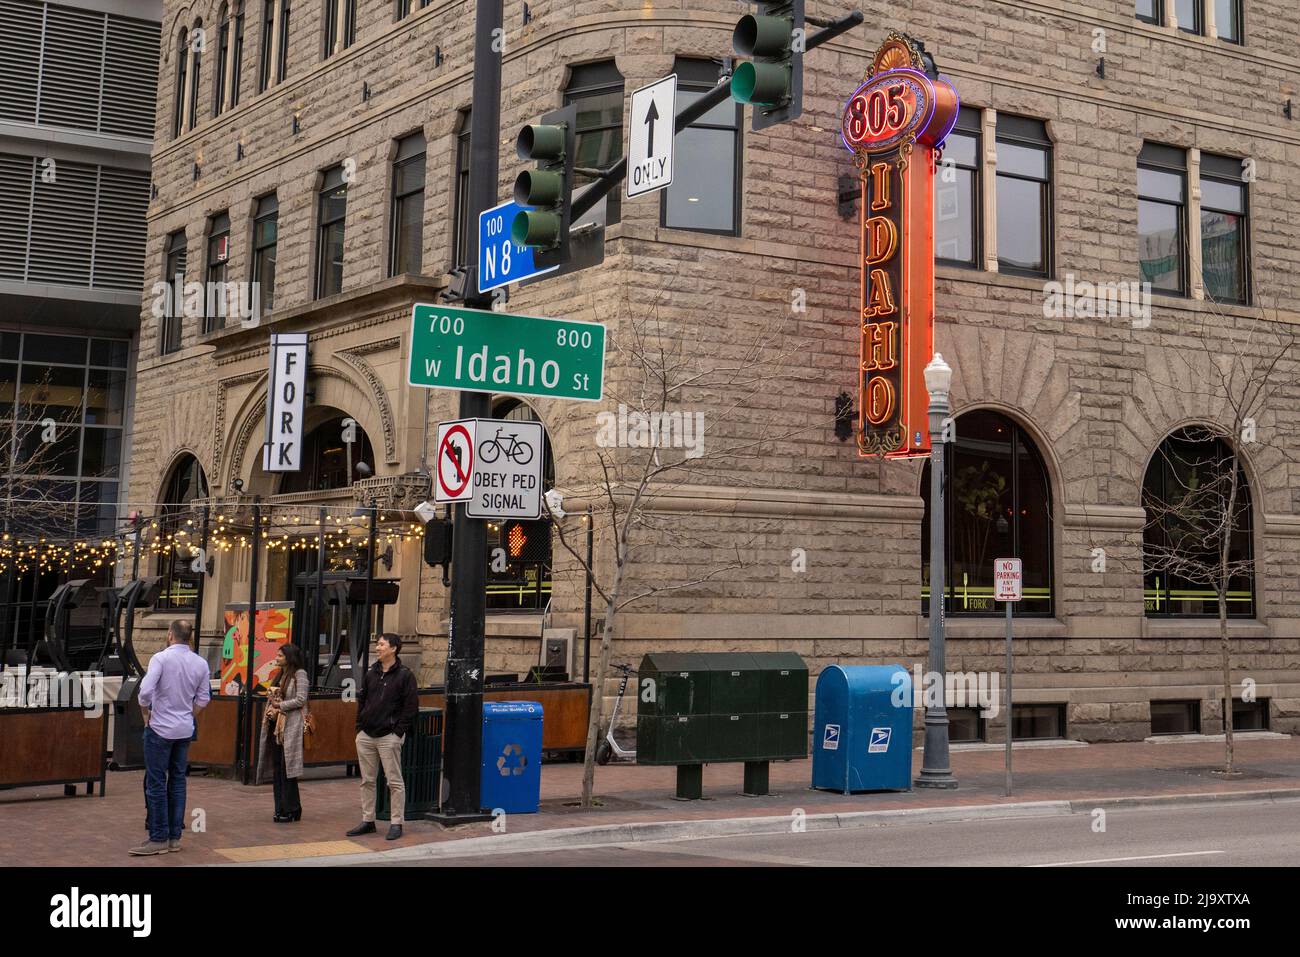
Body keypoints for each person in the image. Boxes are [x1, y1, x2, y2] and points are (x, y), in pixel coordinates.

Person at [132, 619, 210, 856]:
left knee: (156, 782)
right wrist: (188, 714)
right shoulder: (200, 663)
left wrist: (146, 713)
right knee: (178, 781)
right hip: (184, 728)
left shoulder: (161, 658)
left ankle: (158, 837)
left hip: (160, 727)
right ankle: (174, 837)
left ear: (169, 635)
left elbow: (144, 691)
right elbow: (204, 698)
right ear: (190, 637)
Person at [347, 633, 418, 841]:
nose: (377, 648)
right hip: (366, 735)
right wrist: (359, 727)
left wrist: (398, 733)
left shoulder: (405, 675)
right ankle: (368, 820)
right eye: (377, 644)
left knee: (394, 782)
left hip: (389, 737)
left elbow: (410, 707)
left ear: (394, 648)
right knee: (367, 780)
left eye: (381, 644)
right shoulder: (371, 673)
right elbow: (363, 700)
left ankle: (397, 823)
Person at [256, 643, 308, 822]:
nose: (276, 658)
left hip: (291, 727)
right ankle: (280, 808)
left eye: (280, 655)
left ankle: (292, 809)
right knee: (278, 768)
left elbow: (301, 699)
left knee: (288, 769)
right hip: (276, 727)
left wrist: (280, 706)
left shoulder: (299, 674)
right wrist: (272, 703)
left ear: (289, 657)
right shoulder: (279, 675)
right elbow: (277, 697)